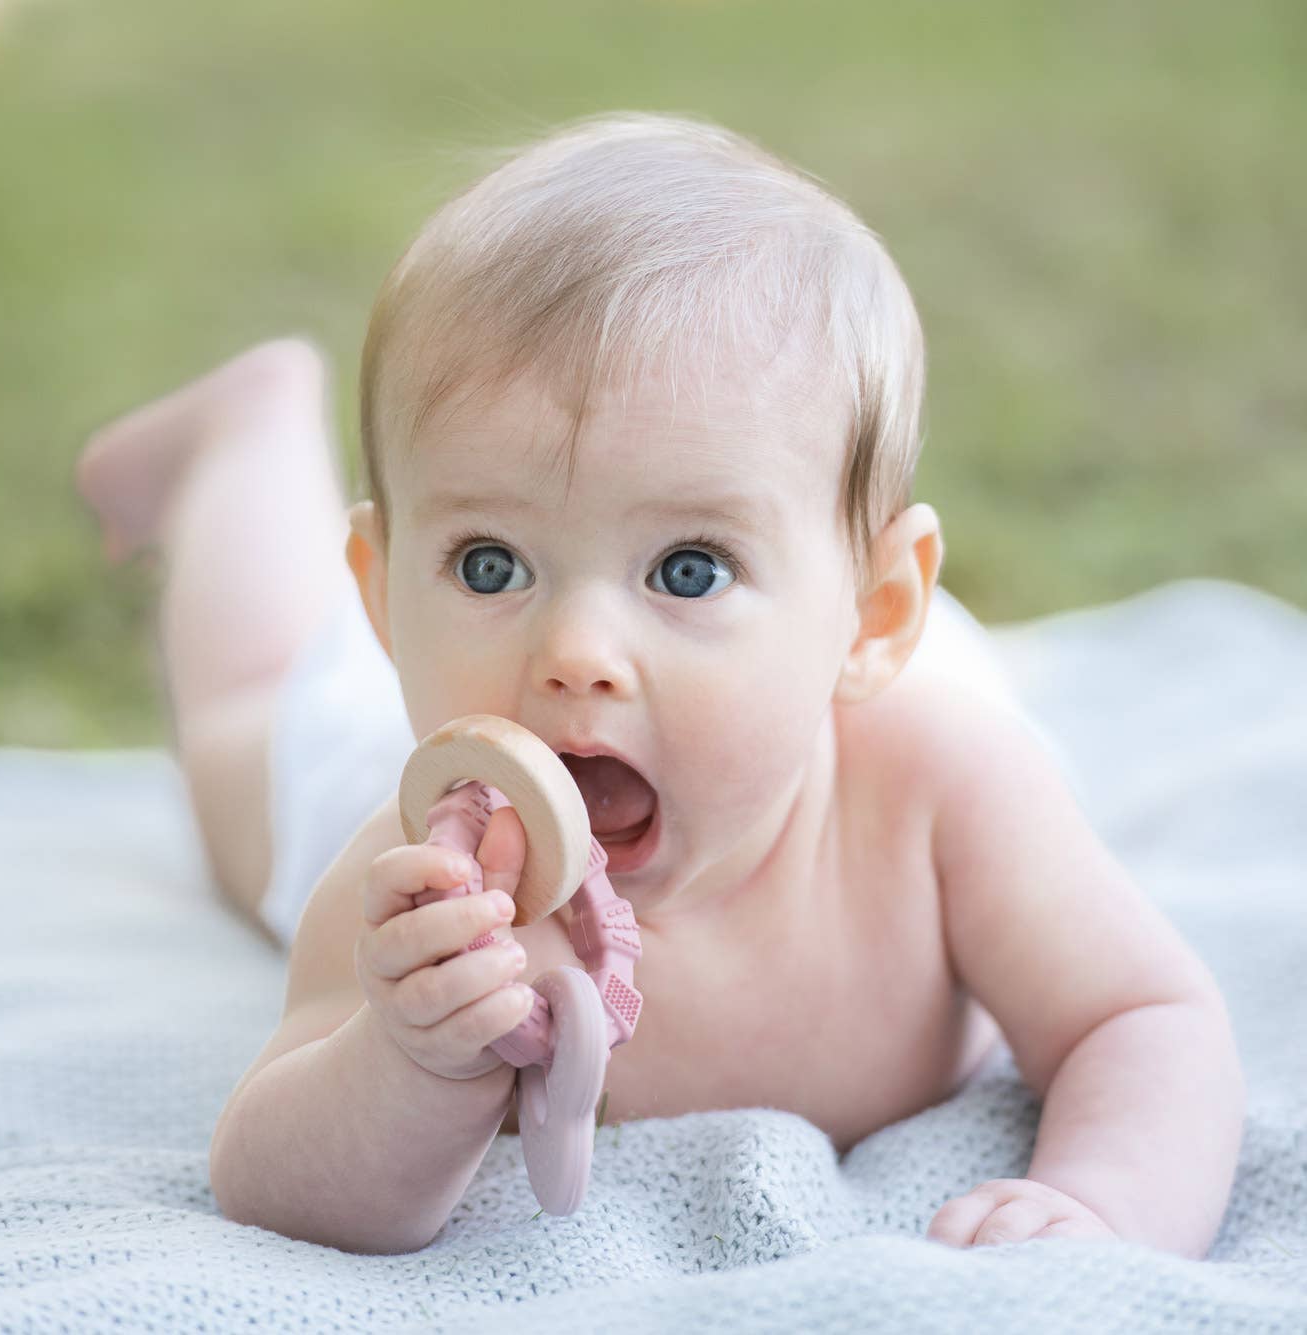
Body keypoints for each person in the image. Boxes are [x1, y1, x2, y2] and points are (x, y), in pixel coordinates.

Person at [75, 112, 1242, 1258]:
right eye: (490, 564)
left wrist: (1105, 1202)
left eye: (689, 568)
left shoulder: (944, 803)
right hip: (410, 744)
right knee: (249, 719)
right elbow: (271, 1181)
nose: (575, 649)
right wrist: (404, 1061)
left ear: (876, 614)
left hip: (849, 682)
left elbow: (1143, 1019)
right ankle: (248, 434)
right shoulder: (423, 887)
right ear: (385, 598)